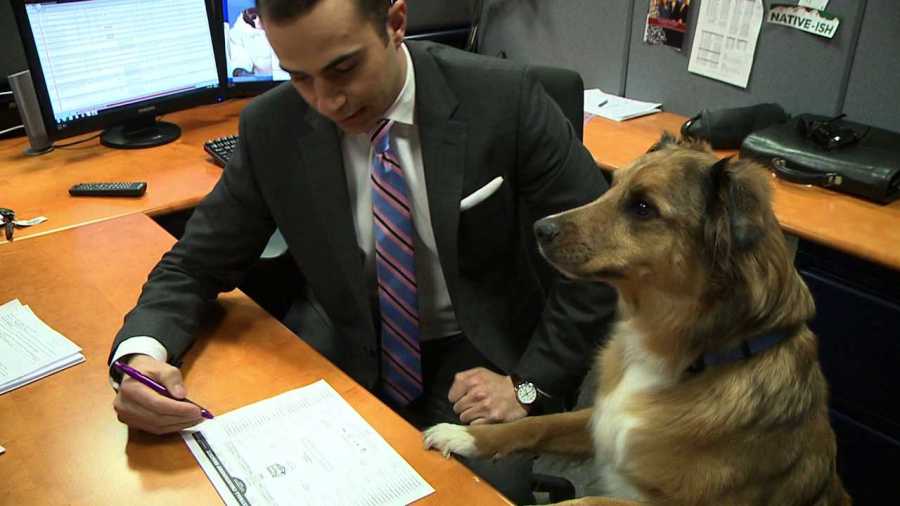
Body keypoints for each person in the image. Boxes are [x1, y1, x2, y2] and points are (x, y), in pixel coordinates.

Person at [108, 0, 616, 502]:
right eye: (299, 77)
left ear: (396, 23)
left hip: (480, 352)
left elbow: (601, 259)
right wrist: (141, 355)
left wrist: (528, 386)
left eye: (344, 68)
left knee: (473, 496)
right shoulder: (271, 126)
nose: (328, 102)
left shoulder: (505, 100)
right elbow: (195, 263)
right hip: (345, 336)